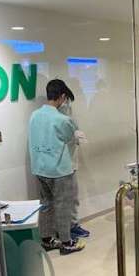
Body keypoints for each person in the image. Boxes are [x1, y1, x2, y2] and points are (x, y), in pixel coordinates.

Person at [29, 79, 85, 255]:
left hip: (40, 168)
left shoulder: (34, 115)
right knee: (63, 206)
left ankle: (47, 240)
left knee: (46, 205)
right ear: (62, 97)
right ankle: (67, 243)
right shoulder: (62, 119)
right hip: (59, 170)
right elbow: (71, 137)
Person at [57, 89, 90, 240]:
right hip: (62, 166)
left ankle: (71, 227)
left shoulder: (67, 116)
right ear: (62, 97)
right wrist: (75, 136)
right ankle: (68, 231)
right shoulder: (58, 118)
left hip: (69, 164)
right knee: (65, 200)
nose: (68, 105)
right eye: (67, 101)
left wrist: (78, 136)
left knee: (72, 198)